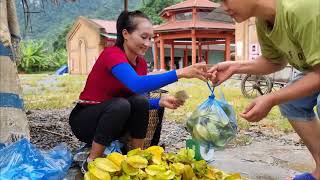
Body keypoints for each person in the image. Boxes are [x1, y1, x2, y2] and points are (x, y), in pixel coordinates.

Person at [69, 10, 211, 174]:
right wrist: (180, 73)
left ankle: (136, 159)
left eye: (150, 38)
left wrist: (159, 102)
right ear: (126, 34)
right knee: (121, 105)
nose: (148, 43)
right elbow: (136, 85)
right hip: (85, 122)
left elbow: (135, 102)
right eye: (144, 37)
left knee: (139, 101)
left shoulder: (140, 63)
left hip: (113, 121)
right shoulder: (112, 54)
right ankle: (91, 162)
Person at [209, 0, 320, 179]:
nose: (224, 7)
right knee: (292, 102)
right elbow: (274, 61)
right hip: (312, 69)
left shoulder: (300, 7)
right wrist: (235, 67)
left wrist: (271, 98)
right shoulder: (264, 20)